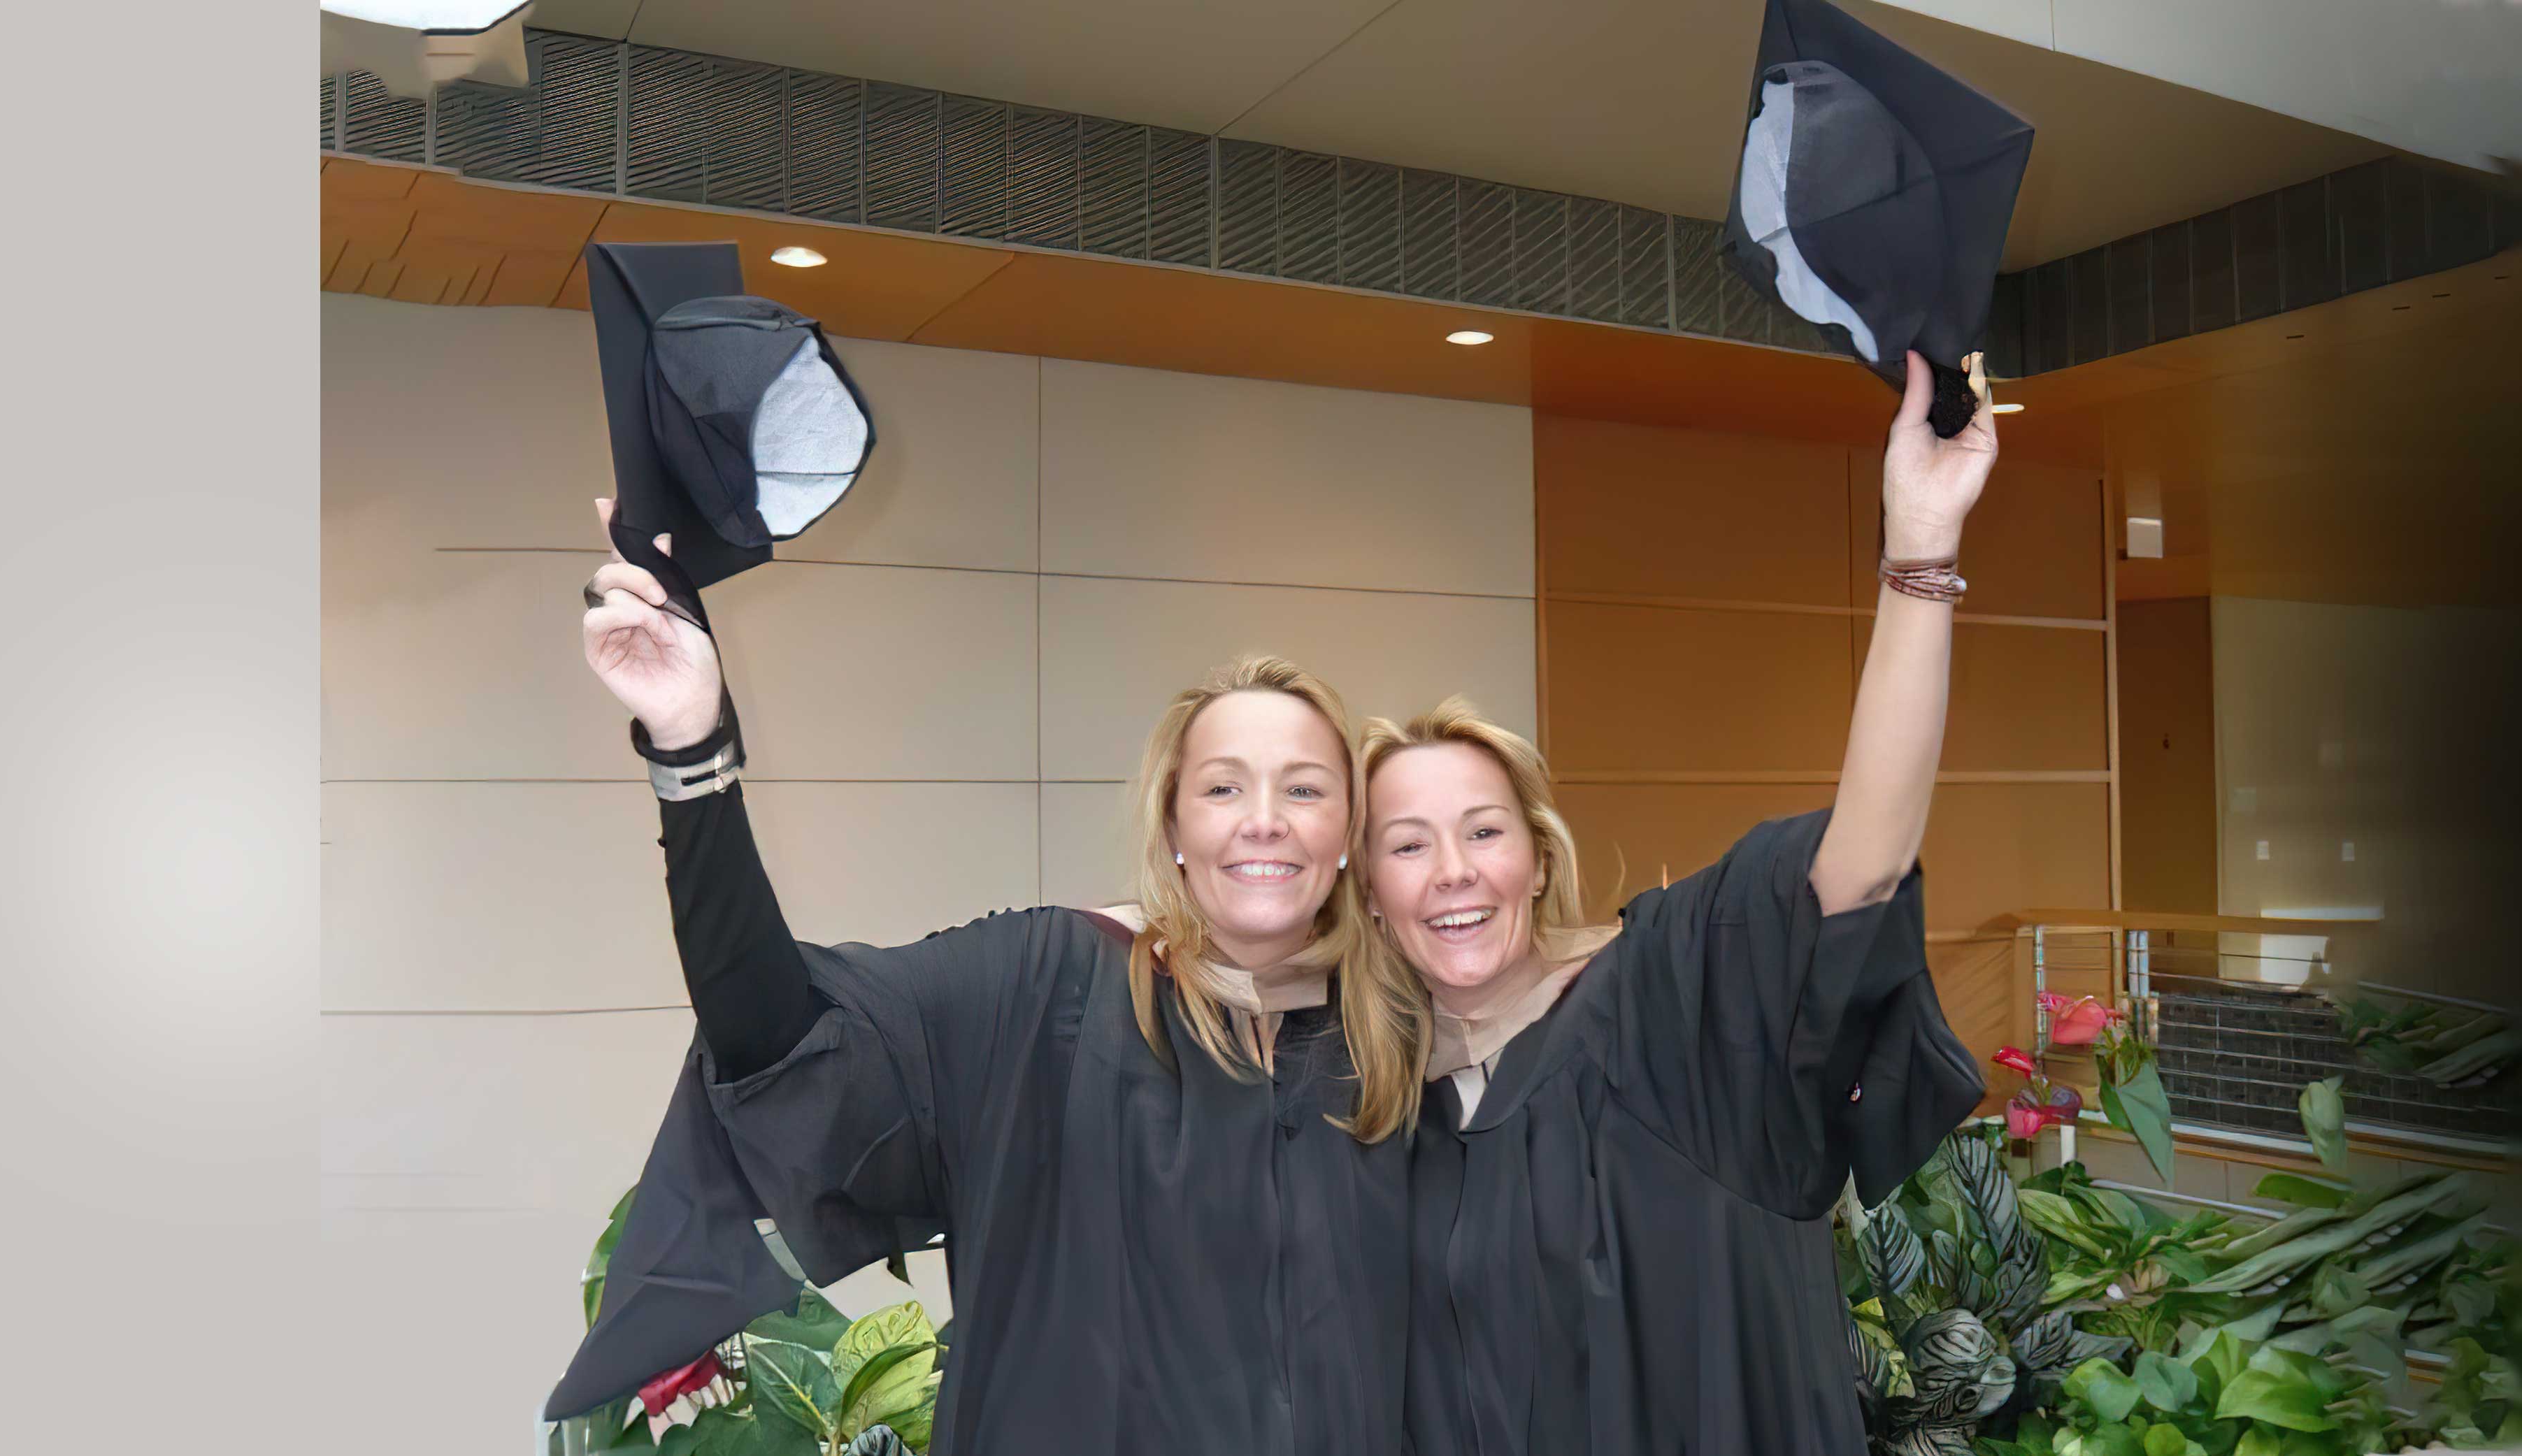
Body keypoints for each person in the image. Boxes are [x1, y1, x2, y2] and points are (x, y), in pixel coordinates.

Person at [543, 498, 1431, 1456]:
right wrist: (692, 746)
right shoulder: (1048, 991)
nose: (1265, 819)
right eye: (1223, 787)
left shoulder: (1401, 1044)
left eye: (1304, 788)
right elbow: (777, 1035)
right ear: (1174, 827)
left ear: (1348, 833)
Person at [1368, 353, 1997, 1456]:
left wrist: (1919, 554)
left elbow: (1860, 865)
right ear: (1372, 897)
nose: (1452, 870)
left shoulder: (1672, 1006)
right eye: (1407, 845)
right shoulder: (1364, 1106)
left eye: (1484, 831)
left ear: (1539, 858)